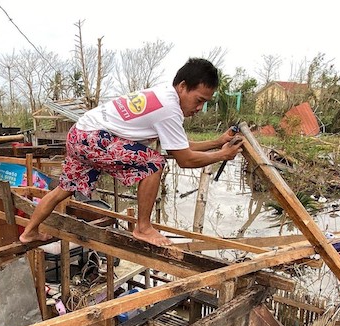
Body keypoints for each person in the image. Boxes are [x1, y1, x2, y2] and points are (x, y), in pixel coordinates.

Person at [19, 58, 243, 247]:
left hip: (80, 133)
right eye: (199, 100)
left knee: (64, 189)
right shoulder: (169, 108)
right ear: (183, 87)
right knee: (153, 163)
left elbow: (181, 147)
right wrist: (222, 155)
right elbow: (184, 159)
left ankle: (29, 232)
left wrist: (218, 142)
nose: (199, 108)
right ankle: (143, 228)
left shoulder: (162, 95)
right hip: (94, 138)